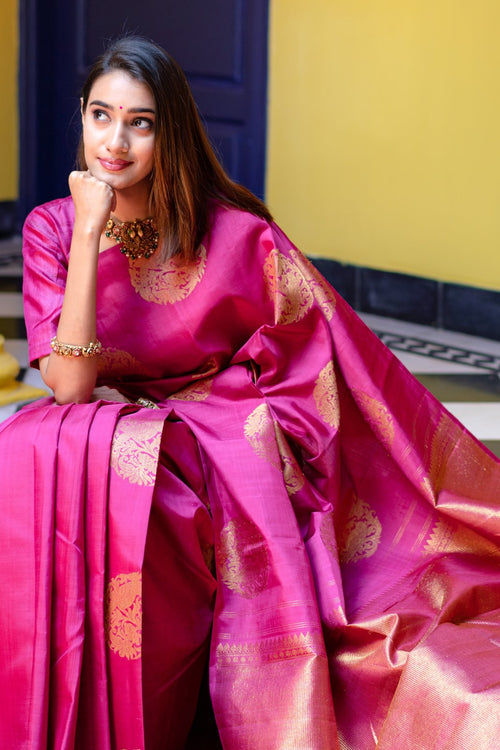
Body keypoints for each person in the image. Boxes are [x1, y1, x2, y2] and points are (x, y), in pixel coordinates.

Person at [0, 35, 499, 750]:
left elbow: (318, 364)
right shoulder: (52, 228)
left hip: (220, 432)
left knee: (128, 457)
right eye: (100, 116)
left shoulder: (234, 235)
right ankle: (61, 698)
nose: (114, 141)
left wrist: (209, 419)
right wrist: (89, 230)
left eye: (140, 122)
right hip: (114, 430)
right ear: (80, 117)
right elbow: (71, 383)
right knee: (28, 439)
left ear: (169, 132)